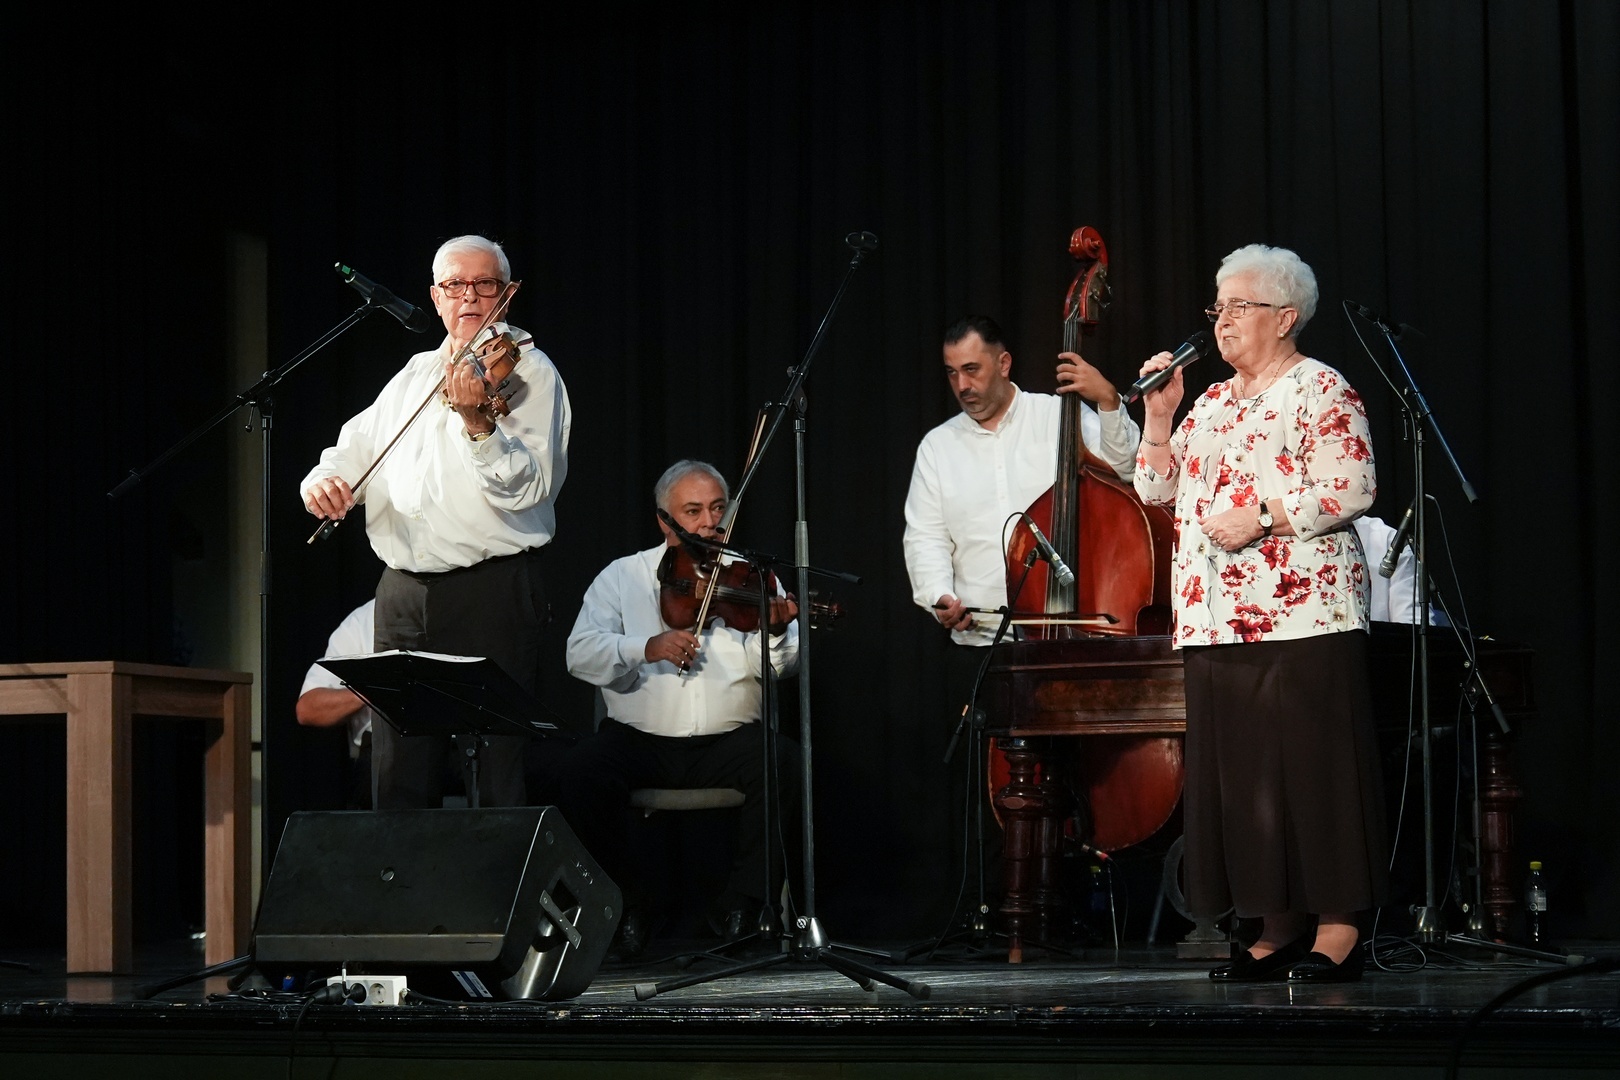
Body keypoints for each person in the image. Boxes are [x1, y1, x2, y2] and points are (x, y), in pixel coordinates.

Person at [1133, 243, 1386, 983]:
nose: (1222, 321)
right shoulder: (1210, 403)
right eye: (1218, 307)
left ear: (1285, 317)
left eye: (1239, 306)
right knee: (1246, 782)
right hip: (1216, 618)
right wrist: (1158, 418)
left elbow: (1353, 484)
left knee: (1314, 772)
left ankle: (1338, 929)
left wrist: (1265, 516)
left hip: (1303, 614)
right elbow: (1155, 491)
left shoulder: (1321, 389)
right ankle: (1274, 925)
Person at [300, 235, 571, 809]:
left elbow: (528, 488)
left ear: (507, 294)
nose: (469, 295)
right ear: (436, 296)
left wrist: (479, 425)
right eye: (455, 284)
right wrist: (323, 481)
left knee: (497, 770)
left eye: (484, 284)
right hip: (402, 594)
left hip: (491, 589)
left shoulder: (530, 372)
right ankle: (400, 869)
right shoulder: (415, 373)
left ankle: (496, 873)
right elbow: (354, 449)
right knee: (397, 767)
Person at [557, 460, 800, 951]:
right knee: (579, 772)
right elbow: (579, 653)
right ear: (664, 521)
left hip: (728, 743)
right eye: (693, 511)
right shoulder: (623, 576)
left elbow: (778, 669)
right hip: (640, 741)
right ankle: (621, 905)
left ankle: (744, 905)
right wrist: (644, 647)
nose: (710, 522)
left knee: (786, 764)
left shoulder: (752, 577)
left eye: (717, 509)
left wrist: (775, 631)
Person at [903, 315, 1141, 701]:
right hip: (981, 647)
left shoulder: (1059, 416)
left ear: (1004, 363)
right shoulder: (937, 447)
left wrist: (1109, 402)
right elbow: (925, 538)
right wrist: (939, 595)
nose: (962, 386)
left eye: (971, 370)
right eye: (952, 373)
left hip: (1074, 637)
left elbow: (1126, 469)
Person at [295, 600, 377, 810]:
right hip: (381, 754)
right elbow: (308, 708)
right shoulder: (364, 620)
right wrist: (375, 689)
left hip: (454, 746)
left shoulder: (457, 608)